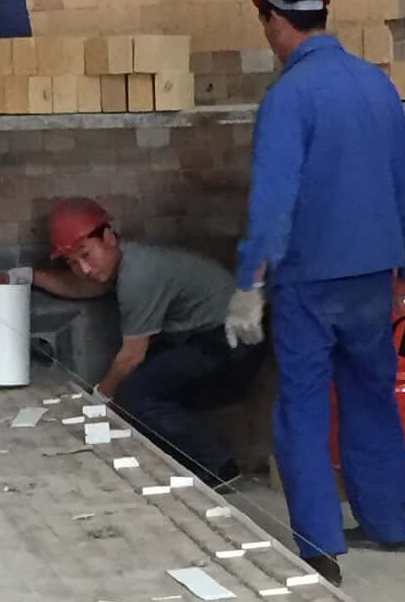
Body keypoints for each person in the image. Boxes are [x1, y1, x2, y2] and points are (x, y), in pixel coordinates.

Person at [227, 0, 405, 584]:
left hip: (308, 284)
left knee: (303, 408)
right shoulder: (376, 86)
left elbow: (272, 203)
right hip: (374, 280)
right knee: (371, 396)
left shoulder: (288, 97)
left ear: (273, 18)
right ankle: (390, 525)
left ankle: (320, 547)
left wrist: (248, 283)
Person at [31, 197, 263, 488]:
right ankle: (182, 459)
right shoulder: (126, 261)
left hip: (232, 342)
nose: (84, 269)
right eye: (72, 263)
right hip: (208, 338)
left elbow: (131, 356)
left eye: (86, 255)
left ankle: (218, 466)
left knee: (135, 394)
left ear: (108, 236)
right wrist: (29, 276)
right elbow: (82, 287)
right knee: (144, 382)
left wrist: (99, 399)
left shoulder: (138, 275)